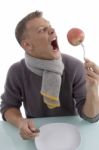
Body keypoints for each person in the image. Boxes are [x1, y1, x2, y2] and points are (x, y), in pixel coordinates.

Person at [0, 10, 99, 140]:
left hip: (71, 135)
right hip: (37, 136)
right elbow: (8, 106)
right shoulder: (17, 71)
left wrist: (93, 90)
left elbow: (90, 117)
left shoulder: (75, 67)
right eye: (42, 30)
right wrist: (20, 122)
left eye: (50, 26)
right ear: (28, 45)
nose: (52, 30)